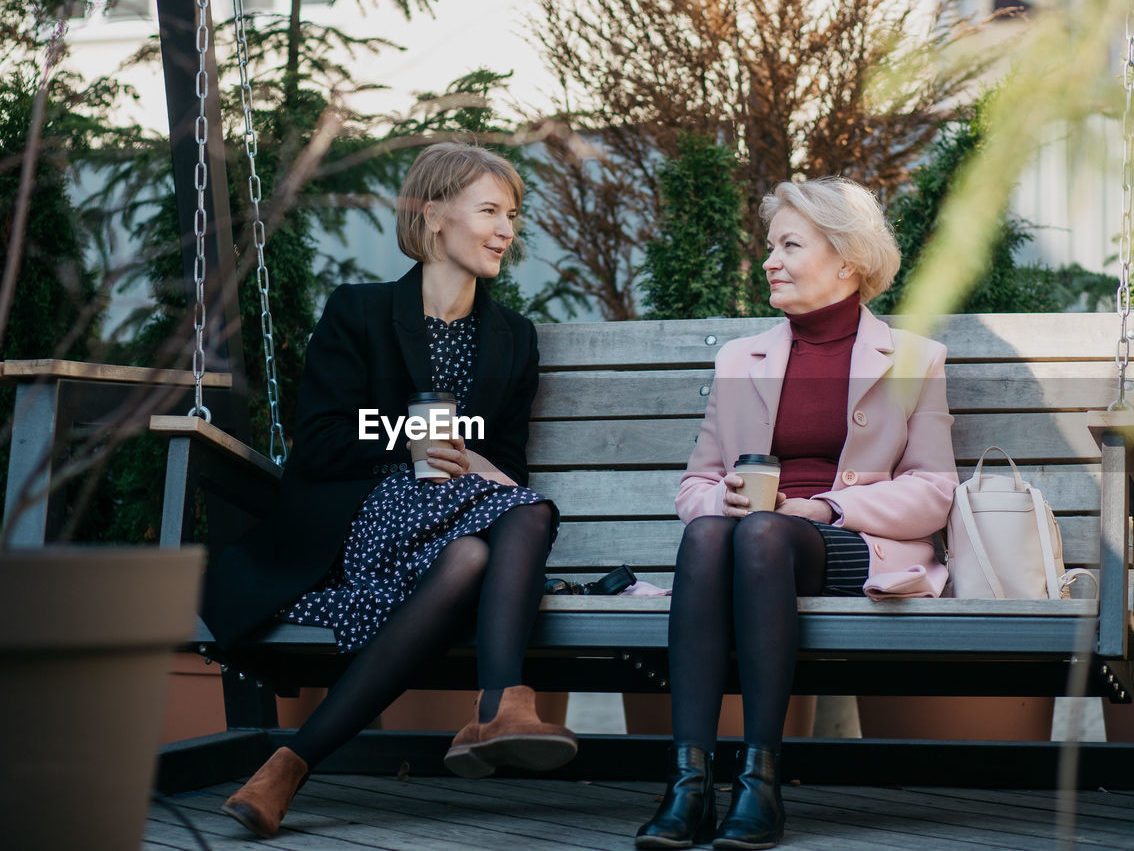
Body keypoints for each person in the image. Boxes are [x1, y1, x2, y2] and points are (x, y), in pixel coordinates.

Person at [203, 142, 576, 840]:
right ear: (434, 214)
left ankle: (288, 765)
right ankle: (501, 701)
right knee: (526, 515)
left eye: (513, 215)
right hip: (362, 521)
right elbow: (317, 442)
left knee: (483, 545)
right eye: (489, 210)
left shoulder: (513, 340)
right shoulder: (361, 313)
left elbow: (507, 464)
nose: (506, 229)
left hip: (457, 528)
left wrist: (489, 470)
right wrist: (401, 438)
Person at [635, 177, 957, 850]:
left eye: (790, 245)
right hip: (756, 540)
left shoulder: (914, 360)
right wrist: (715, 497)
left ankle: (760, 780)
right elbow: (696, 481)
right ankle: (688, 781)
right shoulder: (739, 358)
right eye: (770, 246)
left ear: (846, 259)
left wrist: (826, 505)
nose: (770, 261)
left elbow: (934, 488)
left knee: (760, 533)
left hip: (849, 540)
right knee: (712, 533)